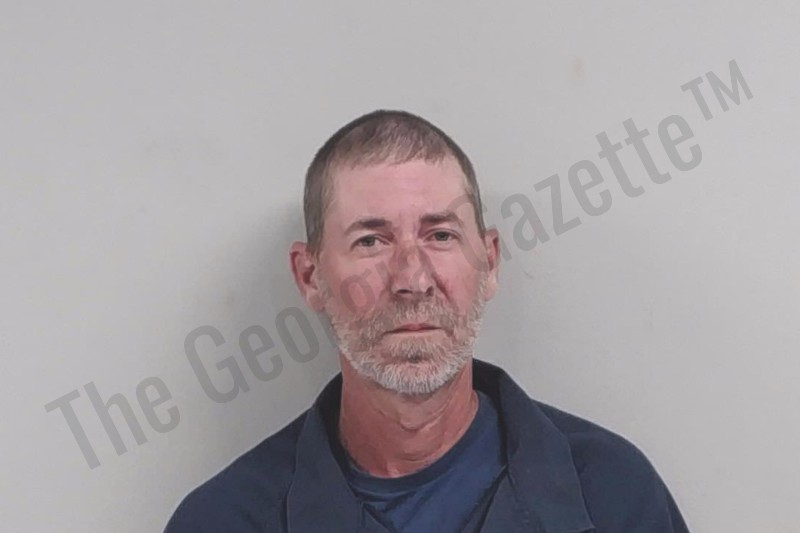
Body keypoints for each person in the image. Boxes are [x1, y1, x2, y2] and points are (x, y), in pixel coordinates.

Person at [165, 110, 690, 532]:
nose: (412, 279)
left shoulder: (614, 496)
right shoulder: (221, 521)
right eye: (370, 241)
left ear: (488, 262)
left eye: (440, 235)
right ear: (309, 276)